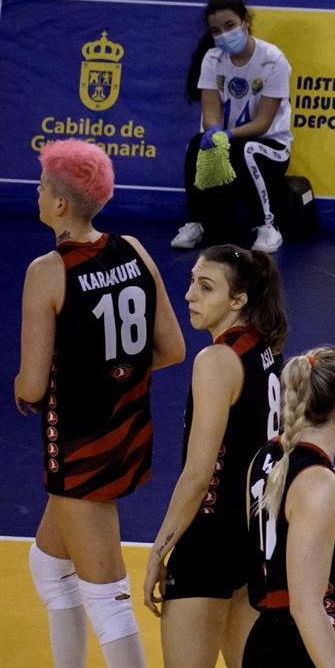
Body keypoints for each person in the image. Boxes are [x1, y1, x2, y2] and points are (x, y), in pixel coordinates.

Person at [15, 138, 185, 668]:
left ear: (60, 203)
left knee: (109, 600)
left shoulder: (48, 270)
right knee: (48, 565)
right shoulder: (133, 249)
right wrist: (114, 373)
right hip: (129, 431)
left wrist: (23, 385)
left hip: (81, 443)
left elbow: (32, 387)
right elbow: (172, 349)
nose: (37, 194)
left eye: (42, 187)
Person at [142, 245, 288, 666]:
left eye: (206, 287)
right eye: (192, 281)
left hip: (210, 540)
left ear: (238, 300)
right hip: (256, 535)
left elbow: (198, 474)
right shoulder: (266, 350)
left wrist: (159, 550)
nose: (190, 295)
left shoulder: (216, 361)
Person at [244, 347, 335, 667]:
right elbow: (307, 607)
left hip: (265, 641)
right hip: (306, 651)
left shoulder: (265, 457)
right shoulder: (320, 485)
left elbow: (272, 540)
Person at [172, 0, 292, 254]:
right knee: (195, 145)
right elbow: (210, 113)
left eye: (230, 26)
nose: (224, 35)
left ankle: (268, 227)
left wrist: (227, 135)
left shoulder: (273, 60)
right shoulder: (212, 59)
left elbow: (262, 124)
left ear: (245, 21)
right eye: (216, 30)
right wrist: (214, 131)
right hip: (230, 140)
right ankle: (195, 223)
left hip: (271, 146)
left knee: (245, 150)